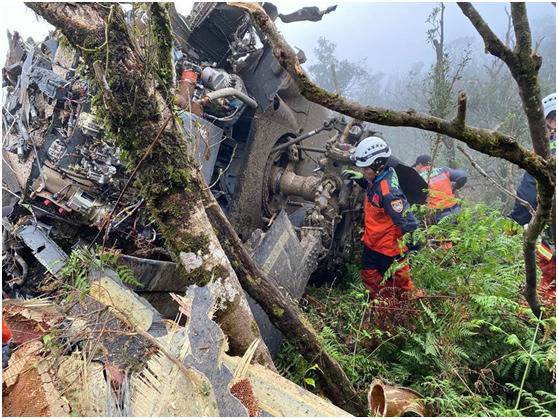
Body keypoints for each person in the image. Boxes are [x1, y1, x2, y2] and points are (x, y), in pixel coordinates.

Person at [343, 136, 419, 298]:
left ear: (378, 165)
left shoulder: (389, 192)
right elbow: (375, 192)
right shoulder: (380, 176)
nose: (363, 171)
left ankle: (399, 306)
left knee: (400, 283)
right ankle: (379, 304)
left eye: (366, 169)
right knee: (369, 276)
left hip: (388, 248)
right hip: (373, 241)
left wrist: (414, 244)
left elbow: (406, 220)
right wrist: (363, 181)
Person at [510, 92, 556, 304]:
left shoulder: (547, 152)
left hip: (552, 238)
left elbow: (528, 192)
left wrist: (514, 223)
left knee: (548, 286)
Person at [413, 155, 467, 223]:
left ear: (420, 164)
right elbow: (462, 176)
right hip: (456, 209)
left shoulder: (418, 178)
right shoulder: (443, 170)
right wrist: (455, 187)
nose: (416, 168)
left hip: (440, 215)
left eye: (416, 166)